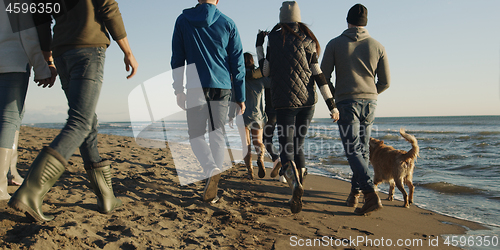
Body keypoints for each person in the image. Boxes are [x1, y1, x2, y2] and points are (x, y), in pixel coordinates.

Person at [8, 0, 138, 222]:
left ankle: (105, 196)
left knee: (88, 120)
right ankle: (31, 192)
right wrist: (127, 51)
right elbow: (108, 6)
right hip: (88, 48)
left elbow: (41, 17)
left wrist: (48, 57)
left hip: (62, 52)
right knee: (80, 122)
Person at [257, 1, 337, 213]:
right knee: (298, 145)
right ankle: (299, 185)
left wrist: (259, 47)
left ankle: (295, 187)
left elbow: (265, 72)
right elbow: (318, 74)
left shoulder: (274, 38)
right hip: (308, 104)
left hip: (284, 105)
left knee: (286, 150)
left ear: (281, 17)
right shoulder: (309, 40)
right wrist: (332, 105)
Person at [171, 0, 246, 203]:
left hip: (195, 87)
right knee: (217, 135)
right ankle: (214, 184)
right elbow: (237, 63)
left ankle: (209, 168)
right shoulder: (228, 23)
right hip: (222, 87)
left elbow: (177, 58)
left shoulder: (183, 21)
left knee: (196, 136)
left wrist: (178, 89)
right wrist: (240, 96)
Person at [321, 3, 390, 216]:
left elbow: (323, 76)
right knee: (360, 151)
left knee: (353, 151)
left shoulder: (334, 44)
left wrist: (335, 97)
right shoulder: (378, 46)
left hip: (346, 101)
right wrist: (370, 92)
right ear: (365, 23)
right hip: (370, 103)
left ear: (347, 21)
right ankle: (354, 194)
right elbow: (386, 82)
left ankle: (370, 194)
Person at [0, 4, 56, 200]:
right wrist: (43, 67)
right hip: (13, 60)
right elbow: (29, 35)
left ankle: (11, 173)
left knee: (11, 118)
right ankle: (0, 185)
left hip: (10, 59)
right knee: (10, 118)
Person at [229, 53, 268, 180]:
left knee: (245, 144)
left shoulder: (238, 78)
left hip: (242, 114)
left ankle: (250, 171)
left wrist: (230, 115)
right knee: (258, 141)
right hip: (257, 114)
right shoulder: (260, 77)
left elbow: (233, 97)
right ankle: (261, 158)